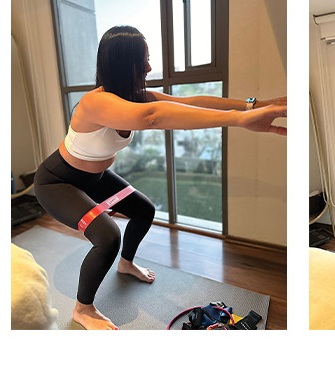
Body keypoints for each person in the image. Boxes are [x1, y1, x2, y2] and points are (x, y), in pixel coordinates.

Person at [34, 25, 286, 330]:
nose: (150, 67)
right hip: (58, 182)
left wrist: (256, 105)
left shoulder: (136, 96)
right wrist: (240, 120)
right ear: (124, 64)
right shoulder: (95, 102)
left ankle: (125, 264)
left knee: (144, 210)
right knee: (107, 236)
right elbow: (152, 118)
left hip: (96, 177)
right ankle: (83, 309)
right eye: (144, 60)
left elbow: (190, 103)